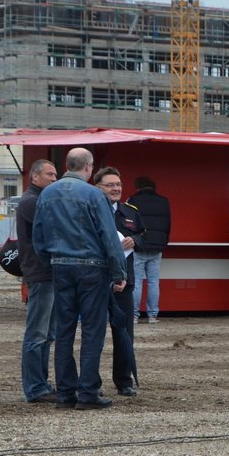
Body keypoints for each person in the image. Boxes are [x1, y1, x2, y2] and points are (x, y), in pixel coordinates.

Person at [33, 148, 126, 410]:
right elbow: (109, 236)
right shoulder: (95, 195)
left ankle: (65, 393)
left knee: (63, 331)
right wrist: (119, 272)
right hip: (92, 269)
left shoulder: (47, 194)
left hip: (60, 267)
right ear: (88, 167)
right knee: (92, 331)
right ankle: (87, 392)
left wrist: (49, 261)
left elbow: (37, 236)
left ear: (67, 165)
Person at [94, 166, 145, 397]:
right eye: (110, 185)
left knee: (123, 334)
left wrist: (134, 240)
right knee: (94, 333)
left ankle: (124, 381)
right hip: (96, 281)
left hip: (125, 280)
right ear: (98, 187)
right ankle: (91, 383)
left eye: (118, 185)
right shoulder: (91, 209)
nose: (116, 189)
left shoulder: (130, 211)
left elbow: (145, 235)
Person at [17, 159, 59, 403]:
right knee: (37, 334)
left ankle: (41, 384)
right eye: (49, 174)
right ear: (35, 177)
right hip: (41, 274)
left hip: (48, 274)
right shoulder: (31, 202)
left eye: (55, 174)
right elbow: (54, 228)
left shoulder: (38, 200)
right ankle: (34, 388)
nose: (54, 179)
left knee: (47, 334)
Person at [127, 176, 170, 324]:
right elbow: (167, 224)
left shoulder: (132, 200)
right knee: (153, 282)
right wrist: (163, 242)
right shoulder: (164, 201)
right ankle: (153, 315)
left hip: (139, 245)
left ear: (138, 187)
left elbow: (128, 223)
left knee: (136, 281)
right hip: (157, 246)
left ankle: (134, 315)